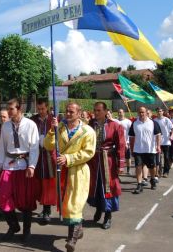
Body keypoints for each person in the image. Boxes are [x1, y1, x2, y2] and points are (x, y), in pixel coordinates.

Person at [44, 102, 96, 252]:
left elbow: (88, 152)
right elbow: (48, 145)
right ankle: (77, 230)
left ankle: (72, 240)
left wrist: (69, 158)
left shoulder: (87, 131)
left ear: (79, 113)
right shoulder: (59, 127)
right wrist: (52, 131)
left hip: (78, 172)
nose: (67, 114)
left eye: (71, 112)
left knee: (75, 204)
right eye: (66, 111)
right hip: (62, 172)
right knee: (67, 204)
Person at [0, 98, 40, 242]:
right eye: (7, 109)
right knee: (3, 196)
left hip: (24, 166)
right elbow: (1, 147)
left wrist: (32, 165)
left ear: (19, 109)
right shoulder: (6, 126)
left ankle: (27, 230)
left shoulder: (30, 124)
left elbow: (34, 147)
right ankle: (13, 226)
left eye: (11, 109)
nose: (9, 112)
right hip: (9, 165)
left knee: (26, 200)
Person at [87, 102, 125, 230]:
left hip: (107, 161)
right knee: (96, 186)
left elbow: (121, 145)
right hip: (93, 161)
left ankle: (108, 216)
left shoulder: (115, 125)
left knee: (109, 187)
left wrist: (121, 164)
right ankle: (99, 208)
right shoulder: (91, 124)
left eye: (98, 110)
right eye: (95, 110)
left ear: (105, 111)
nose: (96, 113)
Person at [30, 98, 56, 225]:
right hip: (36, 155)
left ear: (47, 108)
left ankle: (47, 210)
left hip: (49, 156)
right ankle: (42, 206)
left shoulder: (54, 120)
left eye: (43, 109)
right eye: (38, 109)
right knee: (37, 182)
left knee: (48, 183)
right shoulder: (32, 120)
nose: (40, 111)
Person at [129, 106, 162, 194]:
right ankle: (139, 184)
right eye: (140, 112)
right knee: (138, 166)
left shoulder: (153, 123)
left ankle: (152, 179)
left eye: (143, 112)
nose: (141, 114)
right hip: (138, 150)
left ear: (147, 113)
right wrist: (132, 149)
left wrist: (158, 146)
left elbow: (158, 135)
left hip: (150, 150)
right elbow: (131, 137)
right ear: (138, 113)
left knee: (152, 167)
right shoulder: (134, 123)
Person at [154, 108, 173, 178]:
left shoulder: (166, 120)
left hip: (166, 141)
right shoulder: (154, 120)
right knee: (158, 157)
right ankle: (159, 171)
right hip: (158, 142)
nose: (159, 112)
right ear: (156, 112)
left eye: (160, 111)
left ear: (162, 112)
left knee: (166, 157)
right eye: (158, 111)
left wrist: (171, 136)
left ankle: (166, 171)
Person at [117, 109, 132, 175]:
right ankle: (119, 169)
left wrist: (128, 142)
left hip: (126, 141)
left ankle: (128, 169)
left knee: (127, 157)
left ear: (124, 113)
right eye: (118, 112)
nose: (119, 113)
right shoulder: (116, 121)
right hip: (118, 142)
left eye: (121, 112)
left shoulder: (128, 122)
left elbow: (131, 132)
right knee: (118, 156)